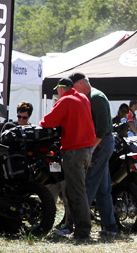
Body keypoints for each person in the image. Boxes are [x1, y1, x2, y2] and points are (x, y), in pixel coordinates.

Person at [40, 78, 95, 240]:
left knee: (76, 192)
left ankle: (82, 231)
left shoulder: (66, 100)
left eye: (58, 90)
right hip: (86, 150)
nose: (58, 93)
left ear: (61, 89)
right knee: (79, 190)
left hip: (74, 151)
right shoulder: (83, 98)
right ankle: (81, 228)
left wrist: (42, 121)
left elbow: (48, 122)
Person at [70, 72, 118, 238]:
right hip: (100, 143)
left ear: (81, 84)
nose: (74, 91)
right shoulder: (91, 96)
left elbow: (103, 128)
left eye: (74, 87)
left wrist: (91, 149)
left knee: (89, 184)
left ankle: (79, 226)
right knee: (102, 189)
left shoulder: (96, 97)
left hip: (101, 143)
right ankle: (111, 227)